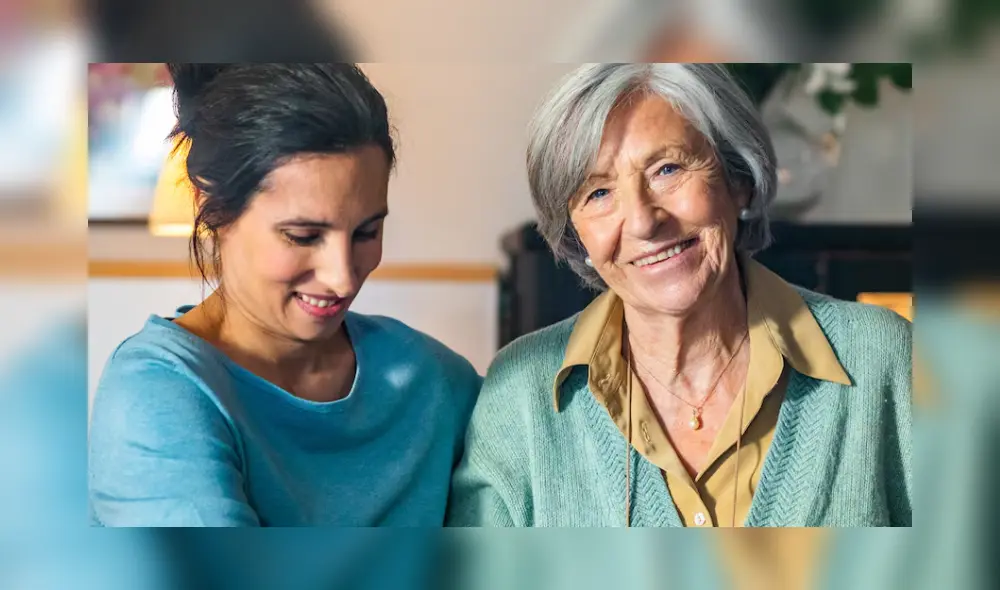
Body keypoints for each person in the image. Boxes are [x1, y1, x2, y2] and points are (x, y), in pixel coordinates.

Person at [448, 63, 911, 527]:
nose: (643, 221)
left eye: (667, 169)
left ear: (738, 180)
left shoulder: (883, 358)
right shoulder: (519, 396)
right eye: (598, 193)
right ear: (576, 234)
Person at [89, 64, 481, 526]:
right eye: (302, 236)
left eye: (366, 232)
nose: (342, 279)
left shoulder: (435, 381)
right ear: (211, 207)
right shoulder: (157, 394)